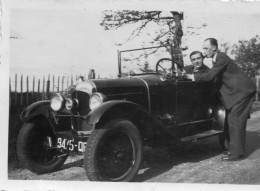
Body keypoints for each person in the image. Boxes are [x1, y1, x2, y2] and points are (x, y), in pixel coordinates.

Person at [186, 38, 256, 161]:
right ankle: (234, 151)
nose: (204, 51)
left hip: (243, 92)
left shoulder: (221, 58)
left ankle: (236, 154)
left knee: (235, 120)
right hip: (238, 92)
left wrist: (192, 77)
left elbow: (209, 76)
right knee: (233, 120)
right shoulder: (216, 59)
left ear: (214, 48)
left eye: (206, 48)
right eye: (203, 48)